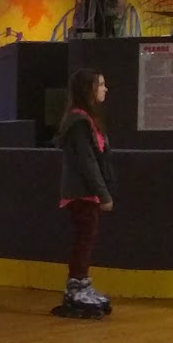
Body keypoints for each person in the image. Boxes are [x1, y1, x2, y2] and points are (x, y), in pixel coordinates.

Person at [53, 68, 115, 319]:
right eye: (101, 85)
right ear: (89, 89)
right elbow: (87, 162)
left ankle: (81, 285)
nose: (105, 89)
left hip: (87, 193)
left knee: (86, 239)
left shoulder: (87, 120)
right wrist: (104, 195)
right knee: (84, 240)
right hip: (82, 194)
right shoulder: (79, 123)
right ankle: (76, 289)